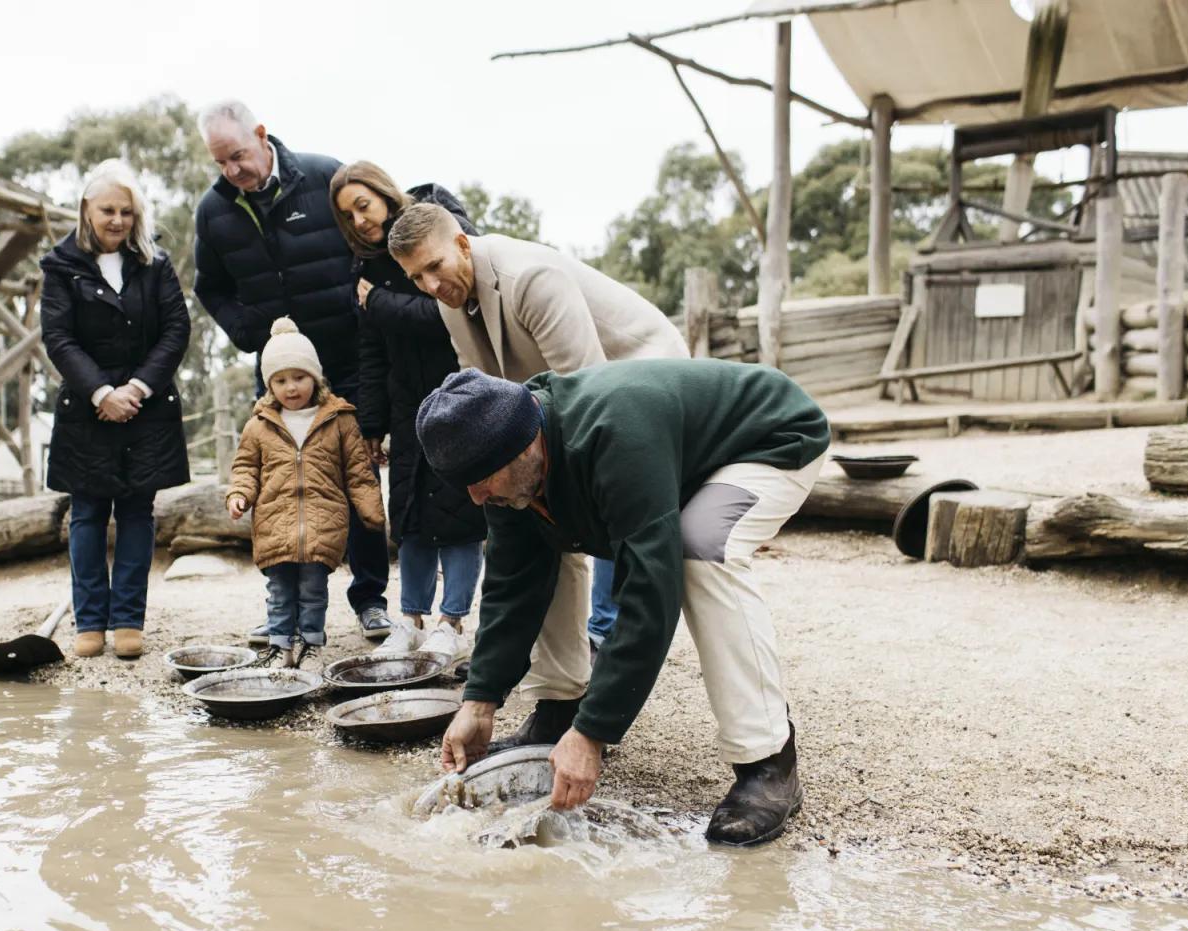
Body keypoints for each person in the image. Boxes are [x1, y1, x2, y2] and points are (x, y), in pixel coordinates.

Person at [418, 363, 829, 846]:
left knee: (700, 548)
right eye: (464, 483)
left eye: (482, 479)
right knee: (538, 543)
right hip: (672, 456)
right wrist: (480, 701)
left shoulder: (616, 435)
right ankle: (559, 711)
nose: (475, 496)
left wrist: (595, 733)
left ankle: (767, 761)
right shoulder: (500, 453)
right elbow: (513, 582)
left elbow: (649, 593)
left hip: (767, 437)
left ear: (526, 445)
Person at [387, 202, 689, 741]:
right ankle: (561, 698)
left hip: (638, 382)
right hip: (552, 409)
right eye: (415, 278)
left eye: (434, 267)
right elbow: (478, 389)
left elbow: (592, 387)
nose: (430, 285)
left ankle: (593, 713)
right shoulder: (450, 300)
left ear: (462, 243)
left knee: (610, 536)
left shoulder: (532, 276)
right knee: (539, 526)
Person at [192, 99, 392, 644]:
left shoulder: (325, 176)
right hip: (277, 372)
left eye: (237, 156)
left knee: (357, 481)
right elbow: (208, 285)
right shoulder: (213, 211)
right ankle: (284, 610)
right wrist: (246, 332)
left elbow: (368, 241)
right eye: (220, 163)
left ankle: (370, 598)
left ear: (261, 135)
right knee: (282, 488)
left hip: (346, 361)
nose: (232, 170)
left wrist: (367, 307)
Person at [329, 162, 486, 667]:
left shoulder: (439, 230)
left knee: (461, 515)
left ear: (383, 193)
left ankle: (452, 621)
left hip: (460, 392)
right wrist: (372, 422)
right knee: (412, 517)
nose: (357, 220)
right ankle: (411, 619)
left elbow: (445, 313)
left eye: (363, 205)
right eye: (346, 215)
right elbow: (371, 351)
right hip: (406, 408)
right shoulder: (366, 269)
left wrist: (380, 303)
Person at [40, 158, 191, 660]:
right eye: (108, 210)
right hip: (88, 409)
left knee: (136, 513)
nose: (117, 220)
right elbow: (58, 337)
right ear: (86, 208)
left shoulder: (156, 264)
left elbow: (176, 331)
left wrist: (138, 388)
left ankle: (128, 621)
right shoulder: (59, 266)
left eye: (127, 211)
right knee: (86, 513)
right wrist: (103, 393)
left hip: (145, 408)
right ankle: (90, 623)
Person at [225, 318, 385, 668]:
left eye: (299, 377)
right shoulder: (260, 424)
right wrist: (239, 494)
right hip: (274, 522)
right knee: (279, 593)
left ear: (316, 377)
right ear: (269, 384)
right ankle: (280, 646)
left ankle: (311, 644)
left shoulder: (340, 420)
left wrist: (371, 509)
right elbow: (245, 468)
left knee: (313, 592)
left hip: (322, 523)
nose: (291, 388)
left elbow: (358, 472)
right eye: (280, 380)